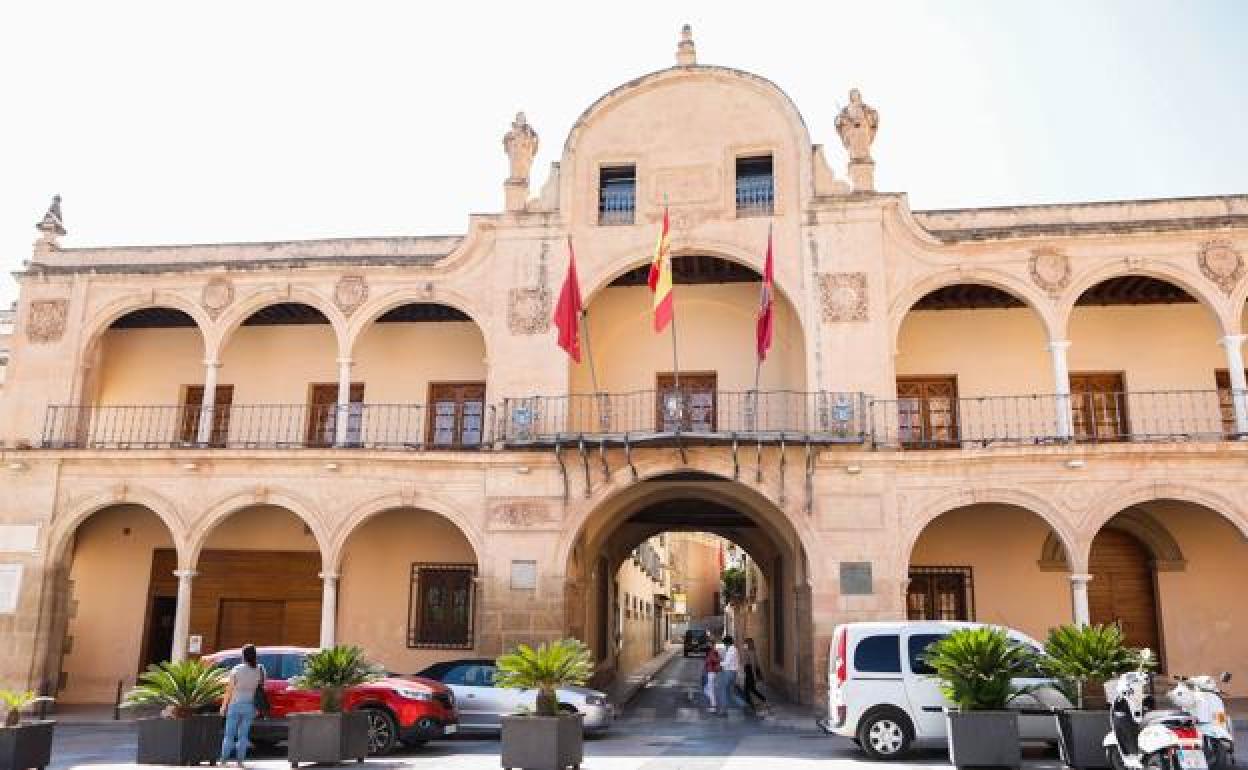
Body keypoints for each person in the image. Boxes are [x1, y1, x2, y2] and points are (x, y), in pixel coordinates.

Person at [219, 643, 265, 767]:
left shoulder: (237, 669)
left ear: (243, 655)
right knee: (243, 735)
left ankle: (223, 760)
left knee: (229, 734)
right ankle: (240, 761)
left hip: (235, 704)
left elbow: (229, 690)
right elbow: (260, 688)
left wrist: (223, 707)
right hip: (250, 706)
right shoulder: (260, 670)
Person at [717, 635, 746, 716]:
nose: (724, 645)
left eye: (724, 643)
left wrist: (719, 663)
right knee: (730, 693)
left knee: (723, 691)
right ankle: (744, 705)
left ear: (727, 643)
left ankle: (723, 711)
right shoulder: (735, 649)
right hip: (733, 673)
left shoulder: (731, 651)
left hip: (728, 673)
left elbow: (727, 662)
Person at [741, 638, 770, 715]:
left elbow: (753, 664)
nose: (744, 644)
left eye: (745, 643)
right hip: (748, 672)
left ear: (749, 644)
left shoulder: (751, 652)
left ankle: (759, 701)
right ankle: (751, 703)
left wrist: (754, 676)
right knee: (748, 689)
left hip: (750, 672)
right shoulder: (747, 651)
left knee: (750, 689)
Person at [702, 639, 721, 713]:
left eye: (709, 644)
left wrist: (710, 660)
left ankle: (713, 705)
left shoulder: (712, 652)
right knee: (707, 688)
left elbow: (716, 660)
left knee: (709, 689)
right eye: (707, 644)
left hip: (712, 672)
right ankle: (714, 703)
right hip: (711, 672)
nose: (707, 645)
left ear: (712, 644)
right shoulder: (712, 652)